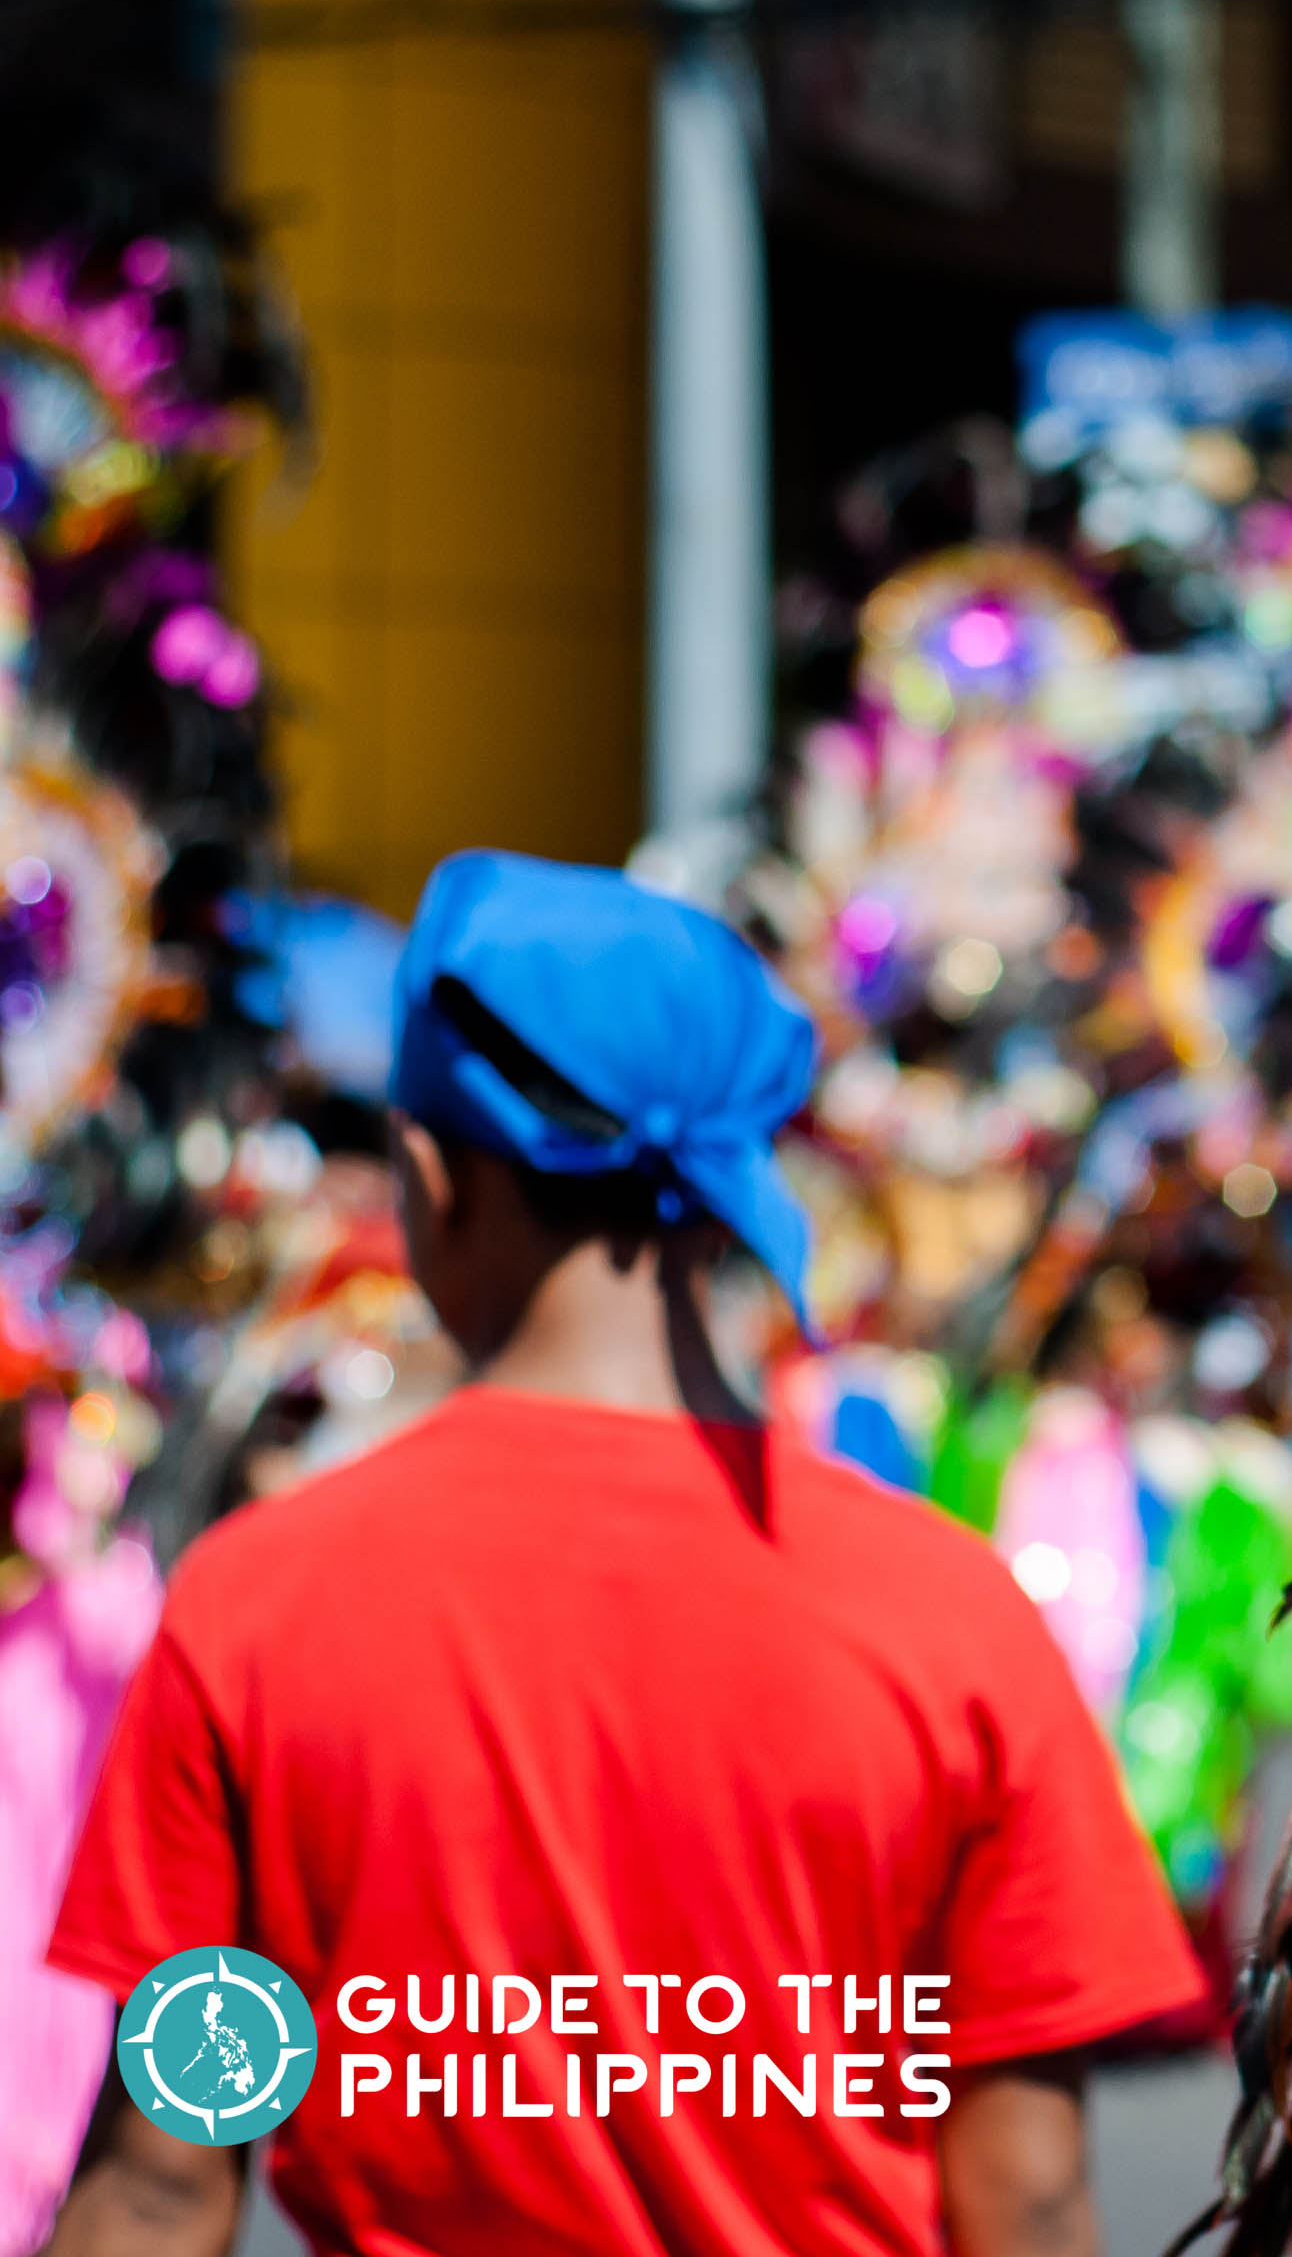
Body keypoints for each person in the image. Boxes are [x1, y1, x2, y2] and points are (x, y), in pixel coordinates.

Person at [44, 851, 1206, 2254]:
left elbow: (164, 2184)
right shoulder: (950, 1618)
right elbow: (1022, 2199)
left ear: (428, 1174)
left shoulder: (252, 1604)